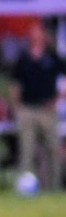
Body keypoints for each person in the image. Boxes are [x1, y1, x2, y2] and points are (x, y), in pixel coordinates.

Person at [10, 22, 66, 191]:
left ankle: (53, 187)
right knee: (26, 149)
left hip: (47, 110)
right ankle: (25, 186)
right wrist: (17, 106)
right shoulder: (23, 58)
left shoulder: (53, 57)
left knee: (53, 149)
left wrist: (56, 101)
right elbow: (15, 84)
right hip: (28, 108)